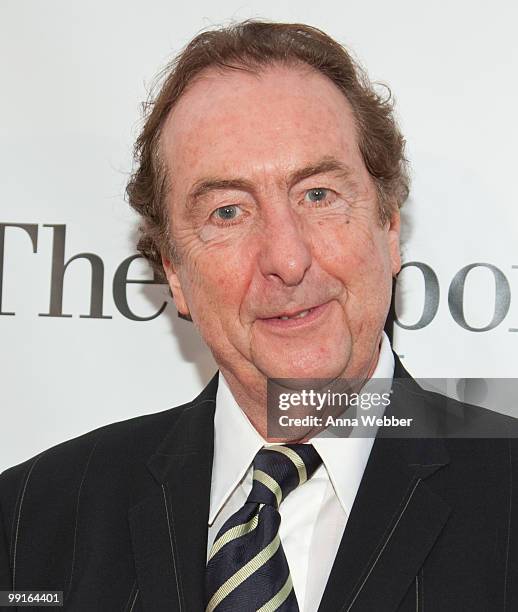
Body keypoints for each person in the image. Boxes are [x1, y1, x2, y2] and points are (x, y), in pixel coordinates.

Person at [0, 20, 516, 612]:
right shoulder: (30, 521)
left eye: (318, 195)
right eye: (227, 212)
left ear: (389, 227)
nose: (287, 259)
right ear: (173, 270)